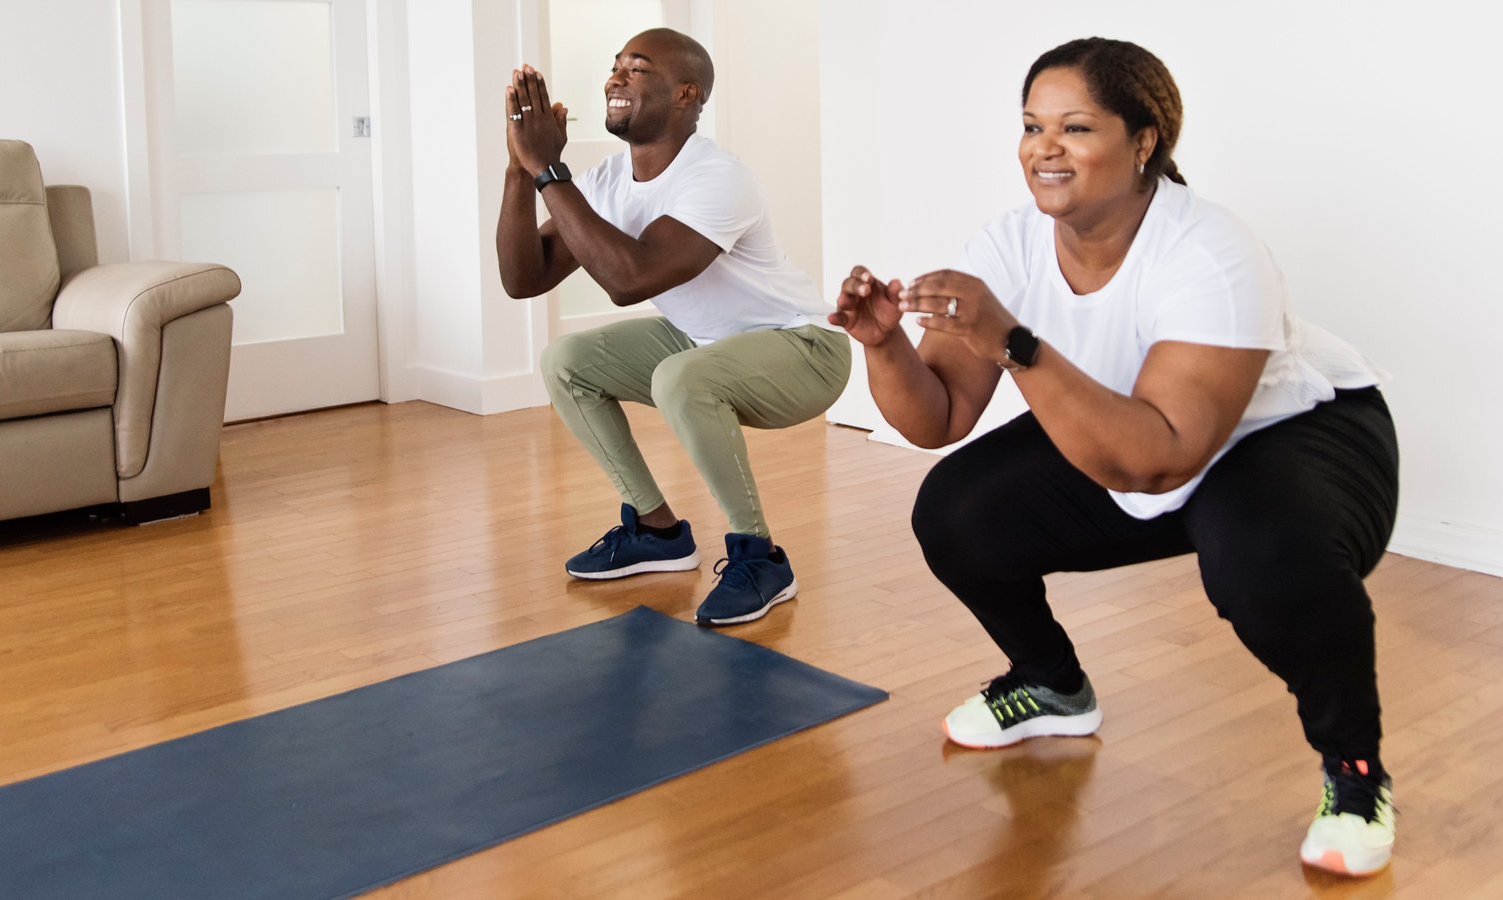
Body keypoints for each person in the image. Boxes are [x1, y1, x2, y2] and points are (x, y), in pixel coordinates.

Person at [831, 38, 1398, 877]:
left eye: (1075, 127)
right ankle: (1051, 683)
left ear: (1144, 143)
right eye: (1030, 126)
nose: (1043, 148)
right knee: (956, 510)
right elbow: (939, 417)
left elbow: (1164, 460)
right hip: (1134, 425)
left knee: (1262, 561)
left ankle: (1356, 771)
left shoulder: (1209, 250)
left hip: (1290, 431)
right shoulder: (1013, 244)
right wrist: (884, 348)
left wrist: (1014, 341)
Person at [496, 28, 851, 626]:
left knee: (680, 377)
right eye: (614, 67)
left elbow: (631, 279)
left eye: (636, 69)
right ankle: (657, 532)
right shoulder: (607, 181)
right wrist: (520, 170)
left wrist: (550, 172)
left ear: (686, 93)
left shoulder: (717, 178)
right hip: (705, 344)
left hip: (804, 349)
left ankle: (760, 559)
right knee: (567, 360)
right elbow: (522, 279)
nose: (615, 78)